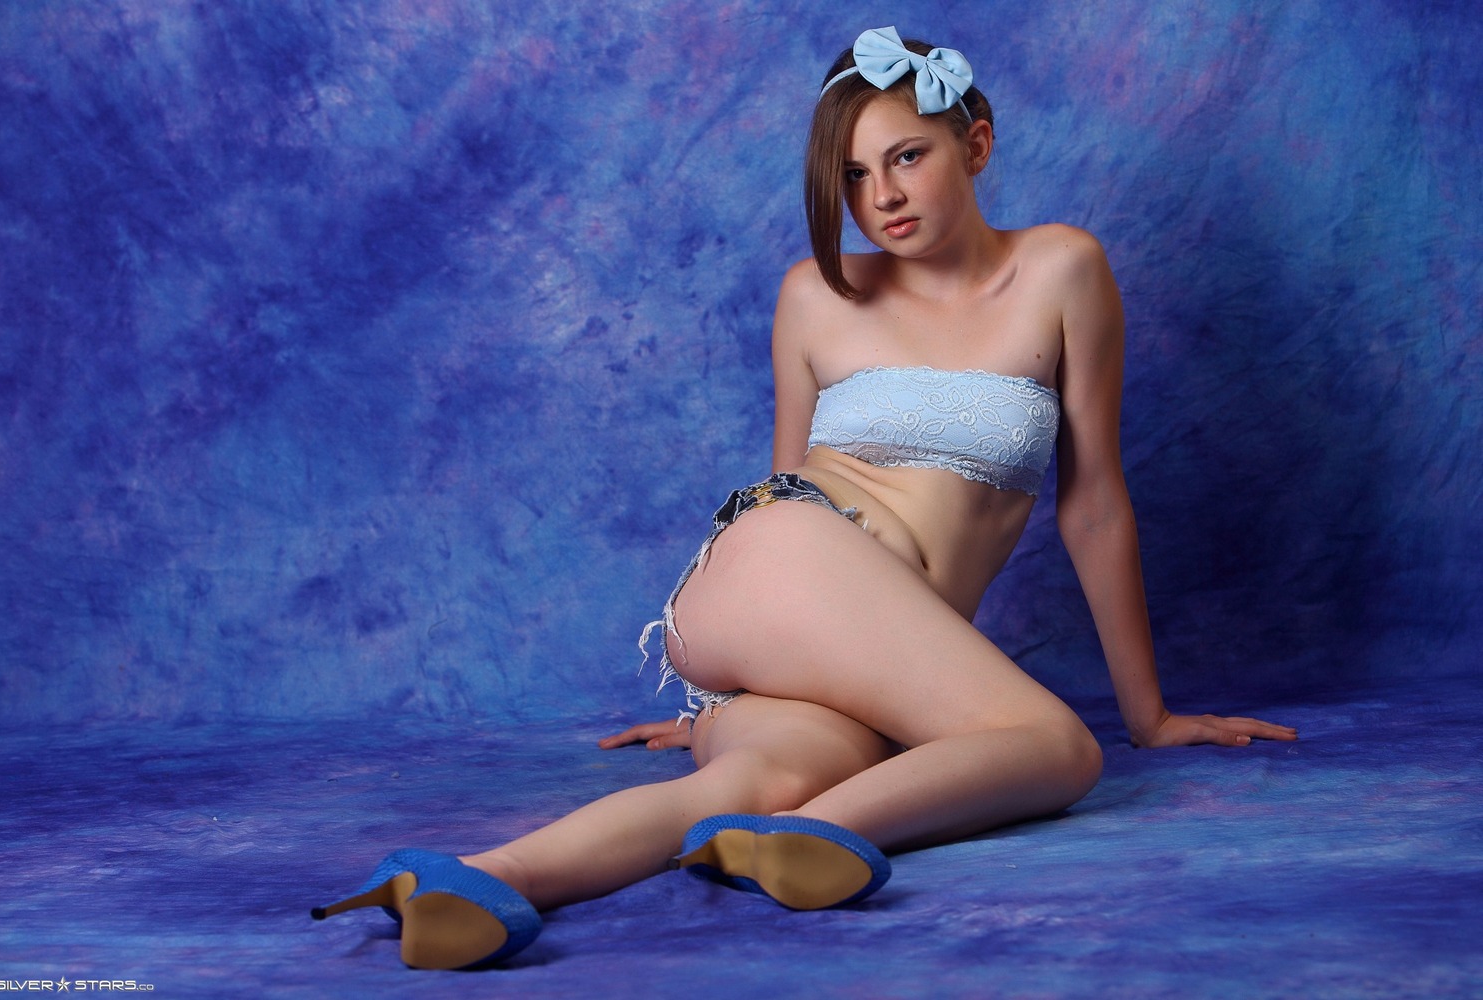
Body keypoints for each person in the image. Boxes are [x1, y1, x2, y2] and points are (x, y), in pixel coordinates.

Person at [310, 26, 1298, 970]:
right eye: (853, 178)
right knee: (1055, 749)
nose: (882, 197)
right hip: (778, 566)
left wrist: (1148, 713)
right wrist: (748, 652)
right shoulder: (815, 294)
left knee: (757, 776)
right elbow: (784, 497)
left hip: (831, 636)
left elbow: (1093, 504)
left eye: (906, 158)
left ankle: (475, 879)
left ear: (976, 145)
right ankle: (812, 833)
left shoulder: (1061, 269)